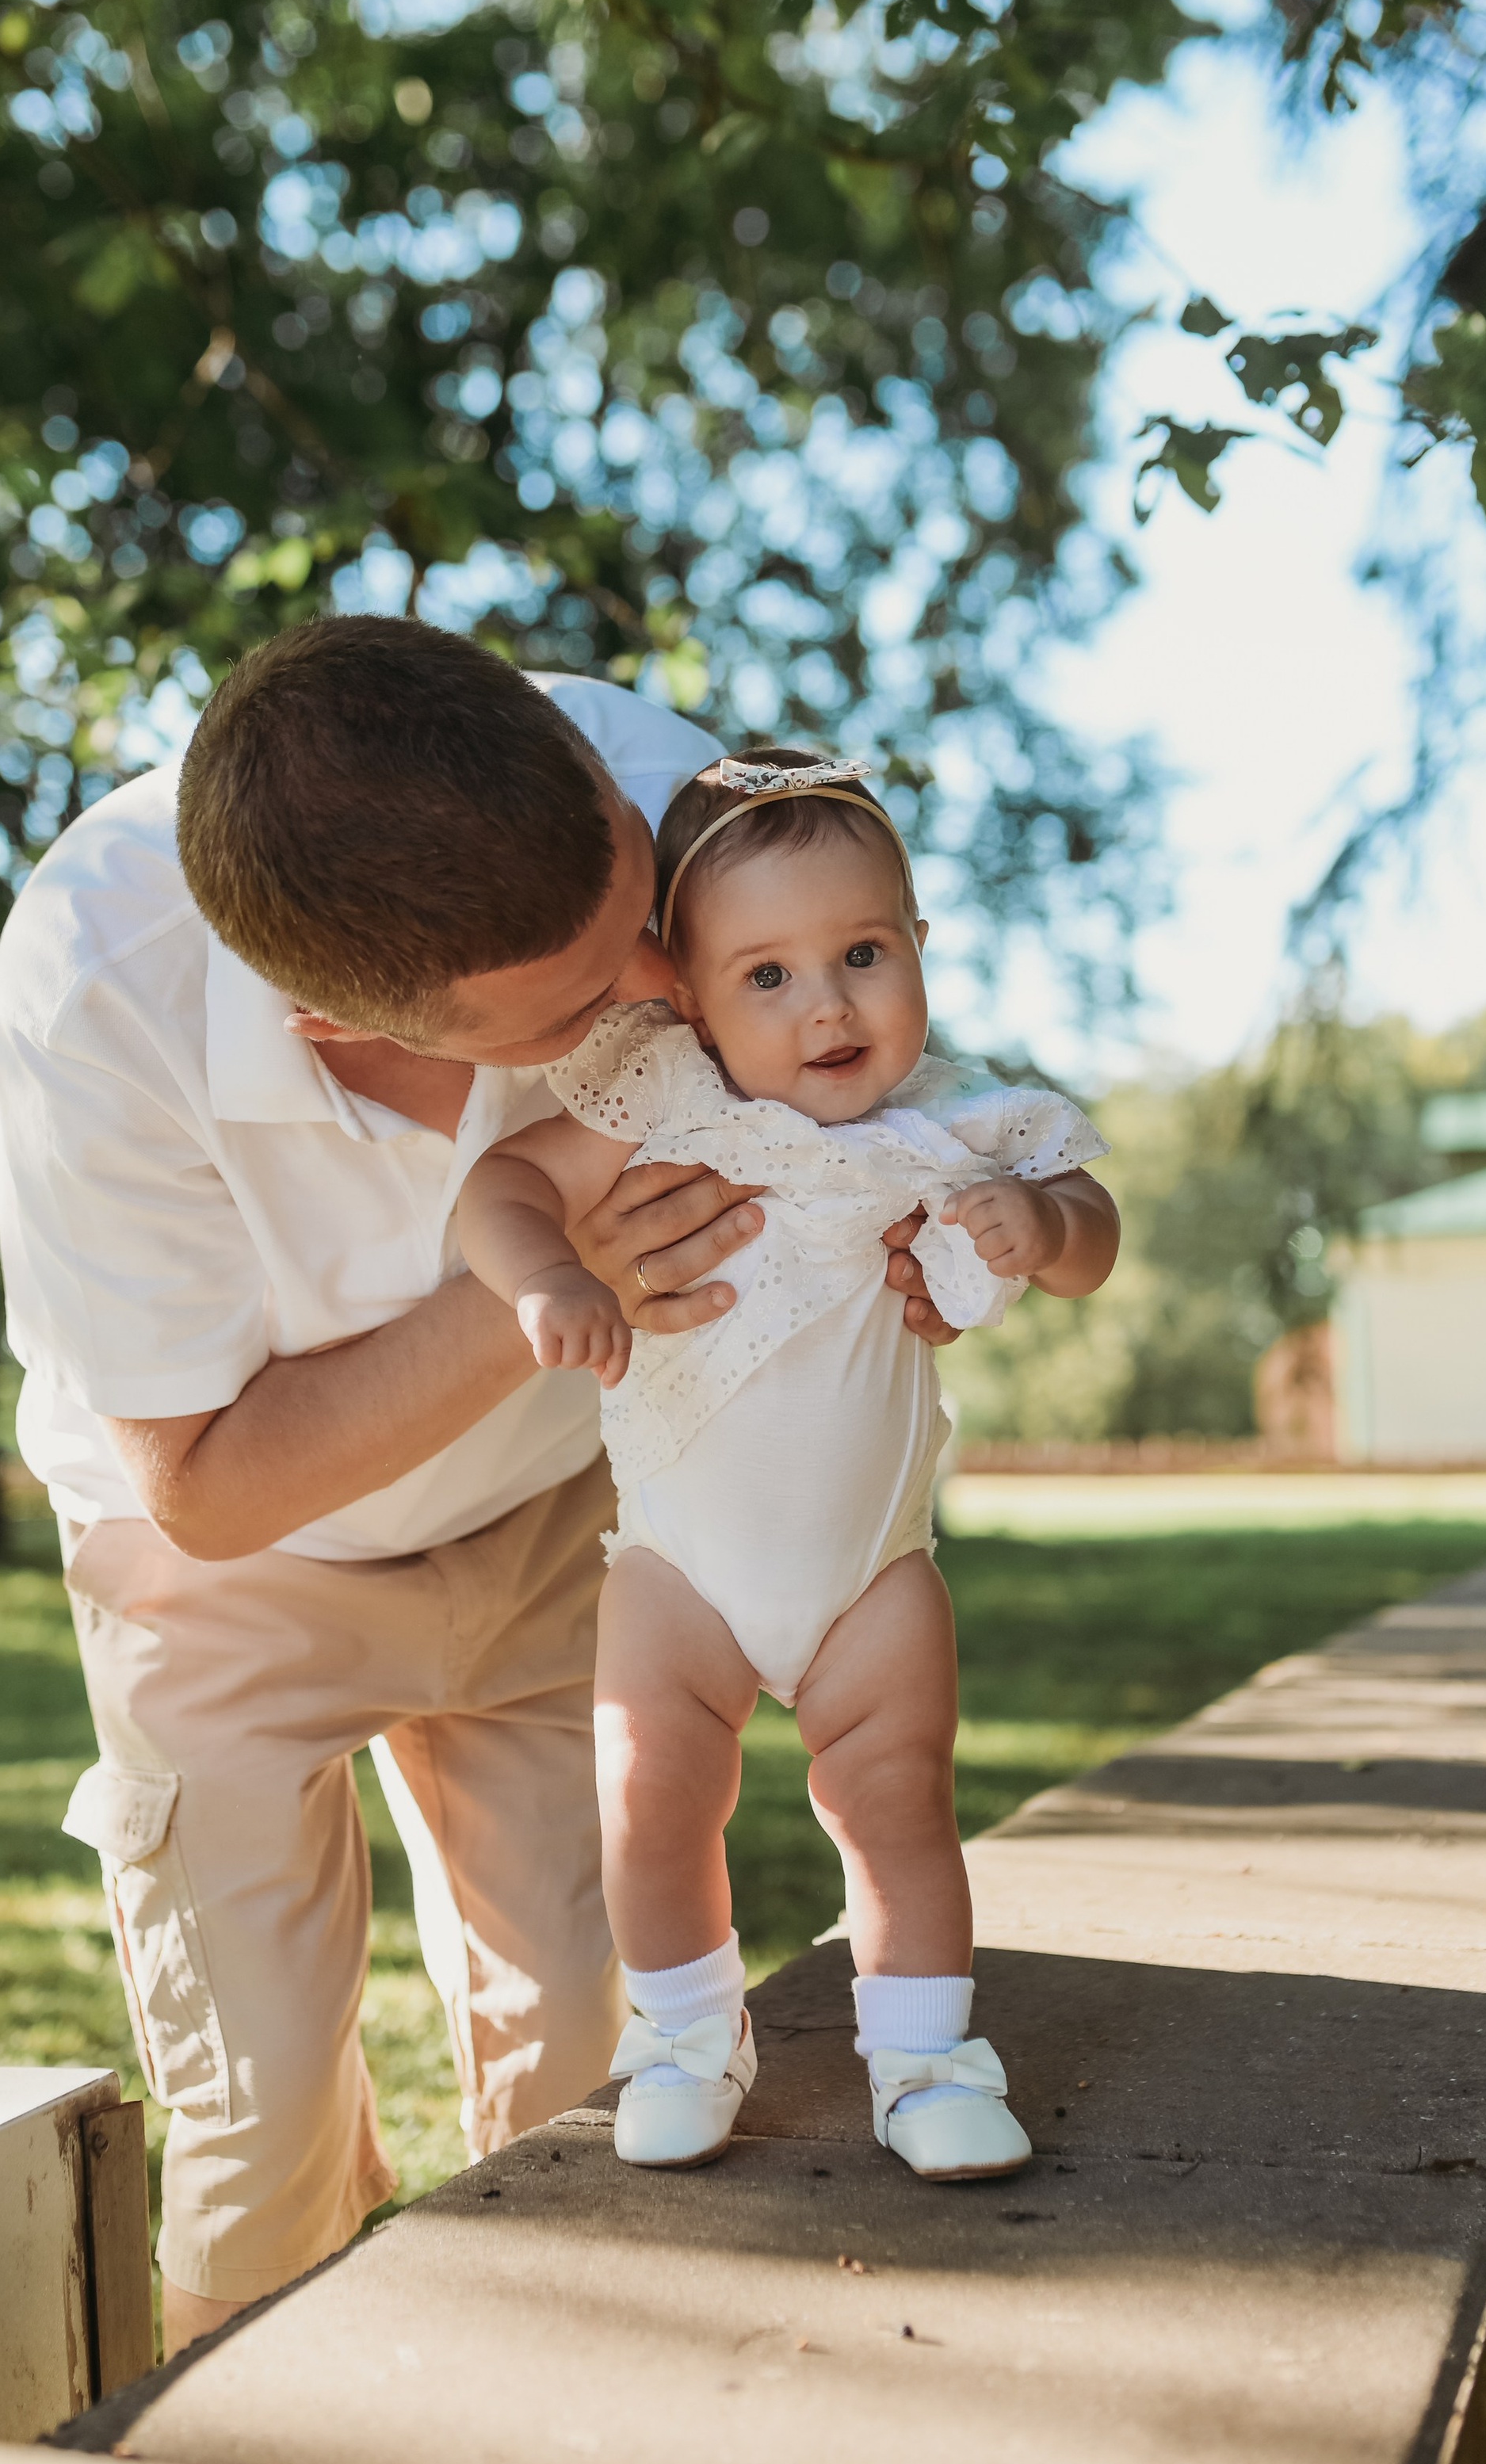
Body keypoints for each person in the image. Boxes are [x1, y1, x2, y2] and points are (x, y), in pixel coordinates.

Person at [0, 622, 961, 2353]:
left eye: (644, 925)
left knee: (589, 2073)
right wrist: (540, 1280)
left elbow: (844, 1014)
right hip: (221, 1569)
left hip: (549, 1531)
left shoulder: (662, 792)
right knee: (256, 2130)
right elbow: (203, 1486)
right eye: (597, 999)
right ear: (332, 1027)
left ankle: (558, 2449)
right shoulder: (92, 991)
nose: (666, 990)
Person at [456, 747, 1118, 2179]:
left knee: (898, 1802)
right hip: (681, 1568)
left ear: (920, 947)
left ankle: (928, 2059)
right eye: (766, 975)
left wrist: (1043, 1228)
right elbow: (500, 1188)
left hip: (870, 1571)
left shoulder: (959, 1123)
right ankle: (689, 2037)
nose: (826, 1002)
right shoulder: (668, 1103)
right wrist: (538, 1283)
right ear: (685, 996)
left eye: (863, 953)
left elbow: (1092, 1221)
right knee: (647, 1797)